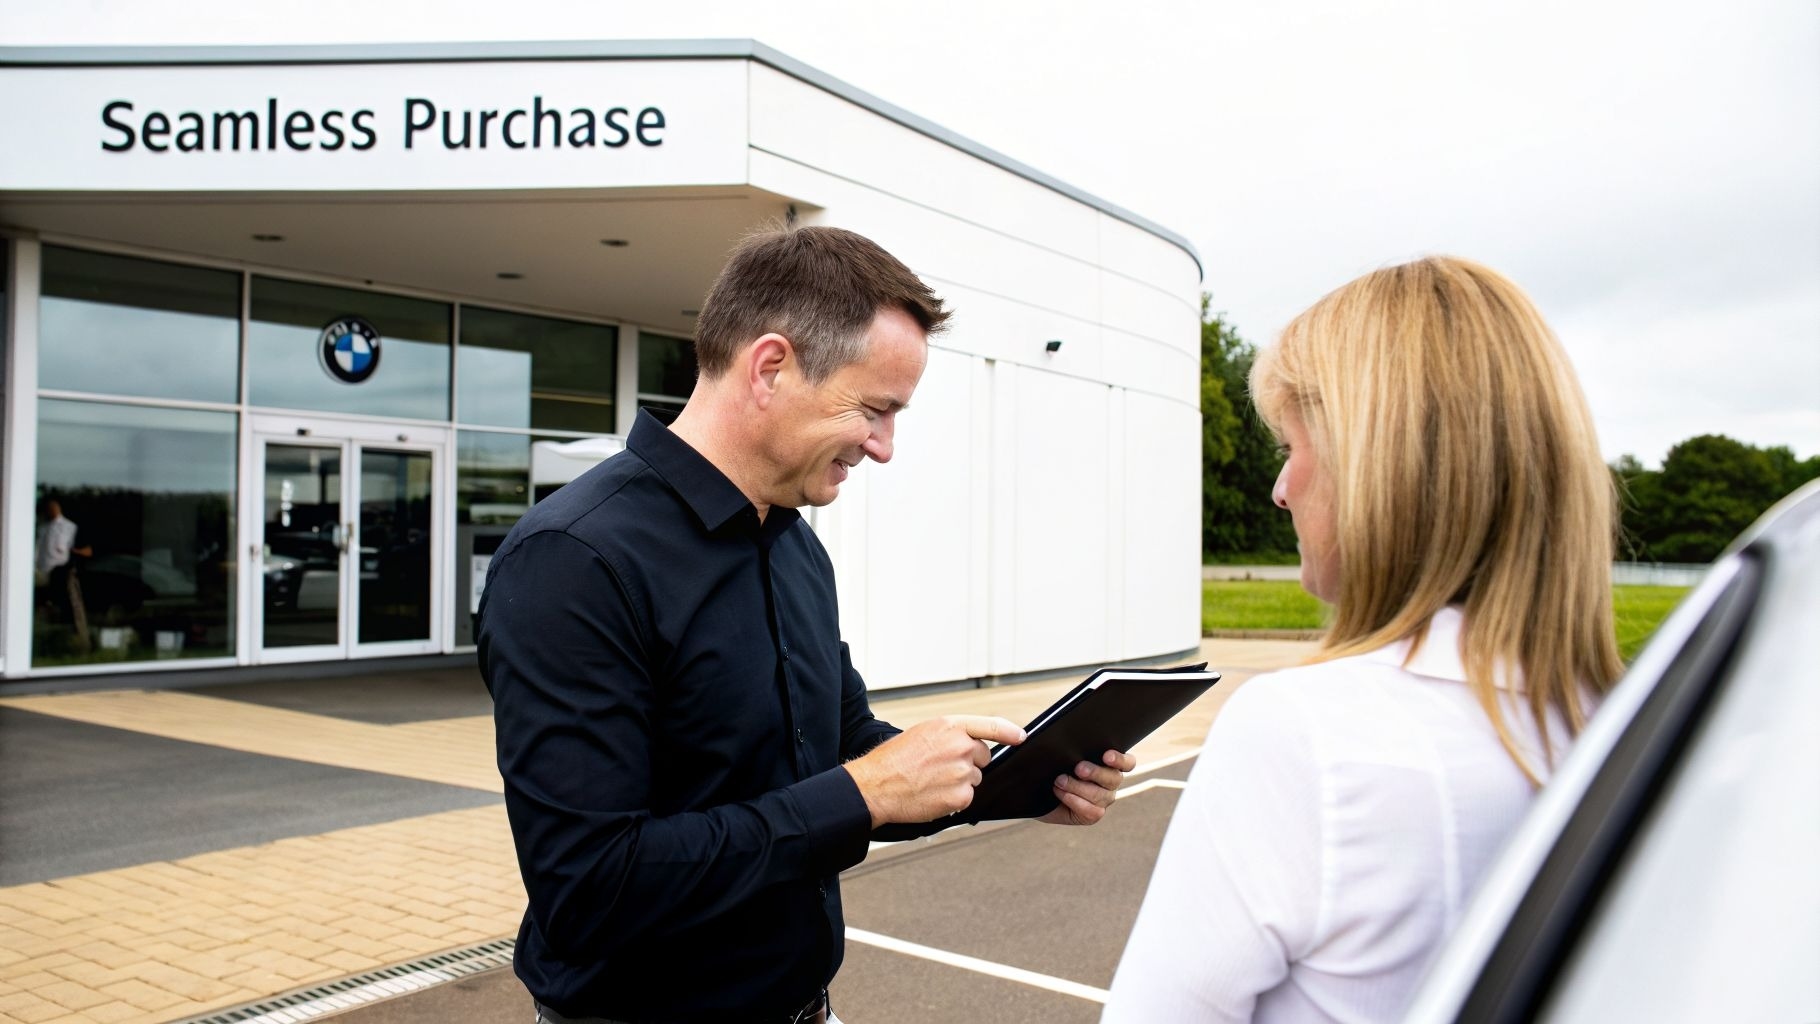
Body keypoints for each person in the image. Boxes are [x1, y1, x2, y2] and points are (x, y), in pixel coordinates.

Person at [479, 225, 1137, 1024]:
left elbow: (842, 745)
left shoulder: (794, 547)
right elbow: (589, 888)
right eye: (873, 408)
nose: (885, 446)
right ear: (771, 367)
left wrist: (1014, 785)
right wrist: (865, 792)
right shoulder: (573, 560)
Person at [1103, 257, 1623, 1022]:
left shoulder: (1305, 732)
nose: (1279, 488)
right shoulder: (1620, 720)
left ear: (1373, 461)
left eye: (1289, 446)